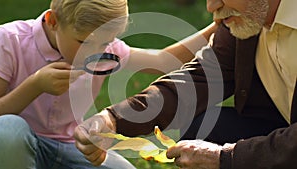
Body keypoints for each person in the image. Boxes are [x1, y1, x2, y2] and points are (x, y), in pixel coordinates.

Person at [74, 0, 297, 169]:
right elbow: (196, 80)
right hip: (280, 131)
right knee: (204, 127)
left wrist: (225, 158)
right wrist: (113, 119)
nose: (212, 7)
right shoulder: (247, 20)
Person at [0, 0, 218, 169]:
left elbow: (161, 61)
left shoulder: (106, 51)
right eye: (84, 42)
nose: (93, 52)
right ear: (53, 21)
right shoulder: (9, 40)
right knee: (8, 130)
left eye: (104, 42)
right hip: (15, 148)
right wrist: (35, 85)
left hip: (69, 148)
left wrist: (218, 25)